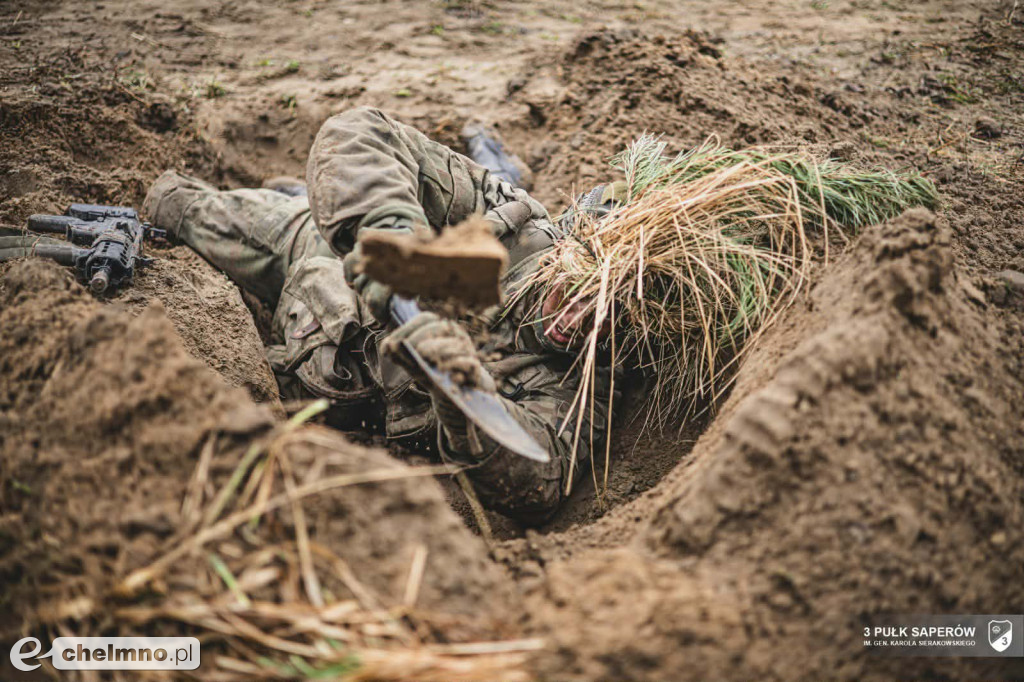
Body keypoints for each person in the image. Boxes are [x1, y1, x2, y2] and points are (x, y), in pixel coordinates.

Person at [144, 107, 621, 524]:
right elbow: (359, 133)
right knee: (171, 205)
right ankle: (311, 196)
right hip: (311, 250)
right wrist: (395, 250)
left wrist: (460, 390)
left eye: (614, 316)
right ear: (570, 243)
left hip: (331, 377)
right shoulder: (511, 219)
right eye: (585, 284)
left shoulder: (584, 385)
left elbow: (536, 483)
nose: (585, 314)